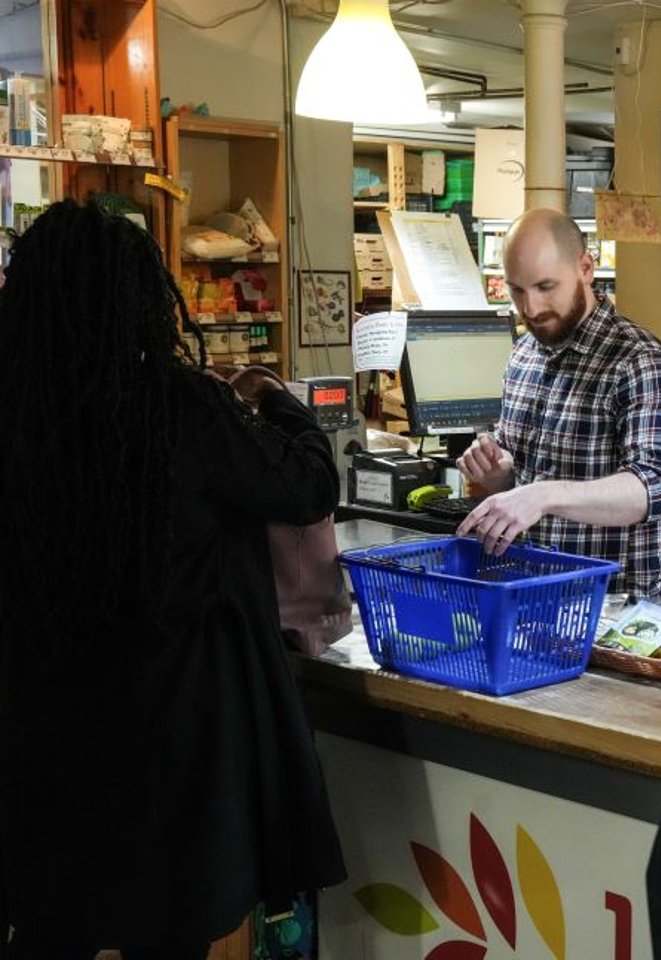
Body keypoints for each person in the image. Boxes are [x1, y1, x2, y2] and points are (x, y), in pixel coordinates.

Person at [0, 202, 345, 958]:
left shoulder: (15, 416)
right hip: (175, 753)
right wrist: (285, 408)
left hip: (43, 750)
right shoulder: (174, 410)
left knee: (50, 929)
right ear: (140, 303)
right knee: (170, 937)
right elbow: (307, 490)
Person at [456, 208, 661, 598]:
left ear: (585, 268)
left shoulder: (639, 360)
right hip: (532, 590)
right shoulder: (524, 353)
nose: (530, 309)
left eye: (546, 286)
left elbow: (658, 487)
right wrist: (499, 473)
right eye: (517, 290)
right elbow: (520, 475)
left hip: (620, 604)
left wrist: (542, 495)